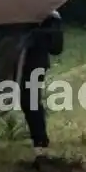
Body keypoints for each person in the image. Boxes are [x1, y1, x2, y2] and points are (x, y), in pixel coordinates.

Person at [17, 11, 63, 162]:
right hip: (14, 60)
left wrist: (36, 34)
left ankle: (40, 145)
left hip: (32, 63)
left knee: (29, 101)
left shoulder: (46, 13)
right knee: (28, 101)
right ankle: (40, 144)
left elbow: (56, 47)